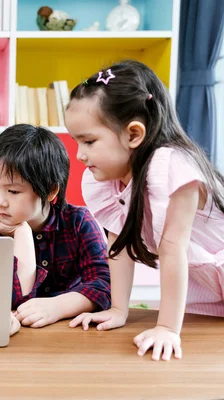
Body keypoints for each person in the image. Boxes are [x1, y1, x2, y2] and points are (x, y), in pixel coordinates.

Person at [67, 60, 224, 361]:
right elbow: (119, 245)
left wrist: (166, 327)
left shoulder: (171, 166)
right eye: (77, 141)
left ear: (134, 134)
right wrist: (117, 309)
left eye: (88, 141)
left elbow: (173, 249)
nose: (79, 154)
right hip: (204, 288)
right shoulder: (113, 180)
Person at [0, 124, 111, 330]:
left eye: (13, 191)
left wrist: (58, 306)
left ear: (49, 191)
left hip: (74, 333)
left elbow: (105, 284)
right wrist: (21, 234)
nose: (0, 201)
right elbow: (13, 301)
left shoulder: (78, 222)